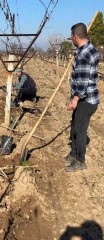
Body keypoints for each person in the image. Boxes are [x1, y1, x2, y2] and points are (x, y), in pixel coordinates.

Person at [63, 23, 99, 172]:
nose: (71, 39)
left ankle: (80, 160)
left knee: (80, 129)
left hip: (85, 99)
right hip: (84, 98)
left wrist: (74, 100)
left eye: (72, 37)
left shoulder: (84, 55)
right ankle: (74, 153)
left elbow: (83, 83)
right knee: (74, 126)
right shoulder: (88, 50)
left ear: (75, 36)